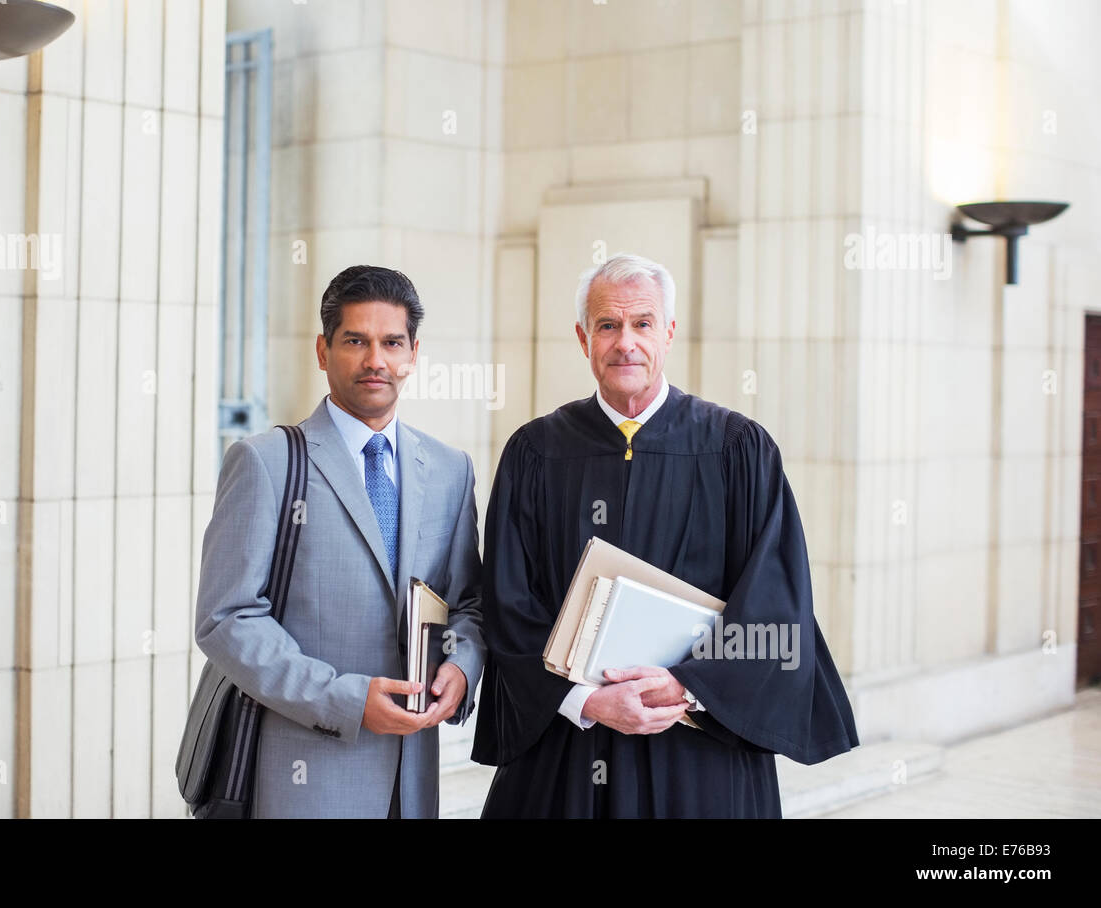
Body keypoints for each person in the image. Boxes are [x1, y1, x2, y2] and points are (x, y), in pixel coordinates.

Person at [471, 253, 858, 817]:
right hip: (569, 747)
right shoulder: (537, 451)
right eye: (608, 325)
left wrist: (687, 686)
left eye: (642, 323)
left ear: (669, 333)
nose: (626, 342)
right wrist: (587, 701)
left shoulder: (736, 449)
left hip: (699, 747)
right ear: (584, 339)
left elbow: (777, 599)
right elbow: (507, 601)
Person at [195, 265, 485, 818]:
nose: (376, 360)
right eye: (356, 341)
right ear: (323, 351)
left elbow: (467, 601)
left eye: (391, 342)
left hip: (413, 779)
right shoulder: (267, 462)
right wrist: (346, 701)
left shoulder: (450, 470)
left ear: (413, 353)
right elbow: (226, 618)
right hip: (305, 777)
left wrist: (463, 666)